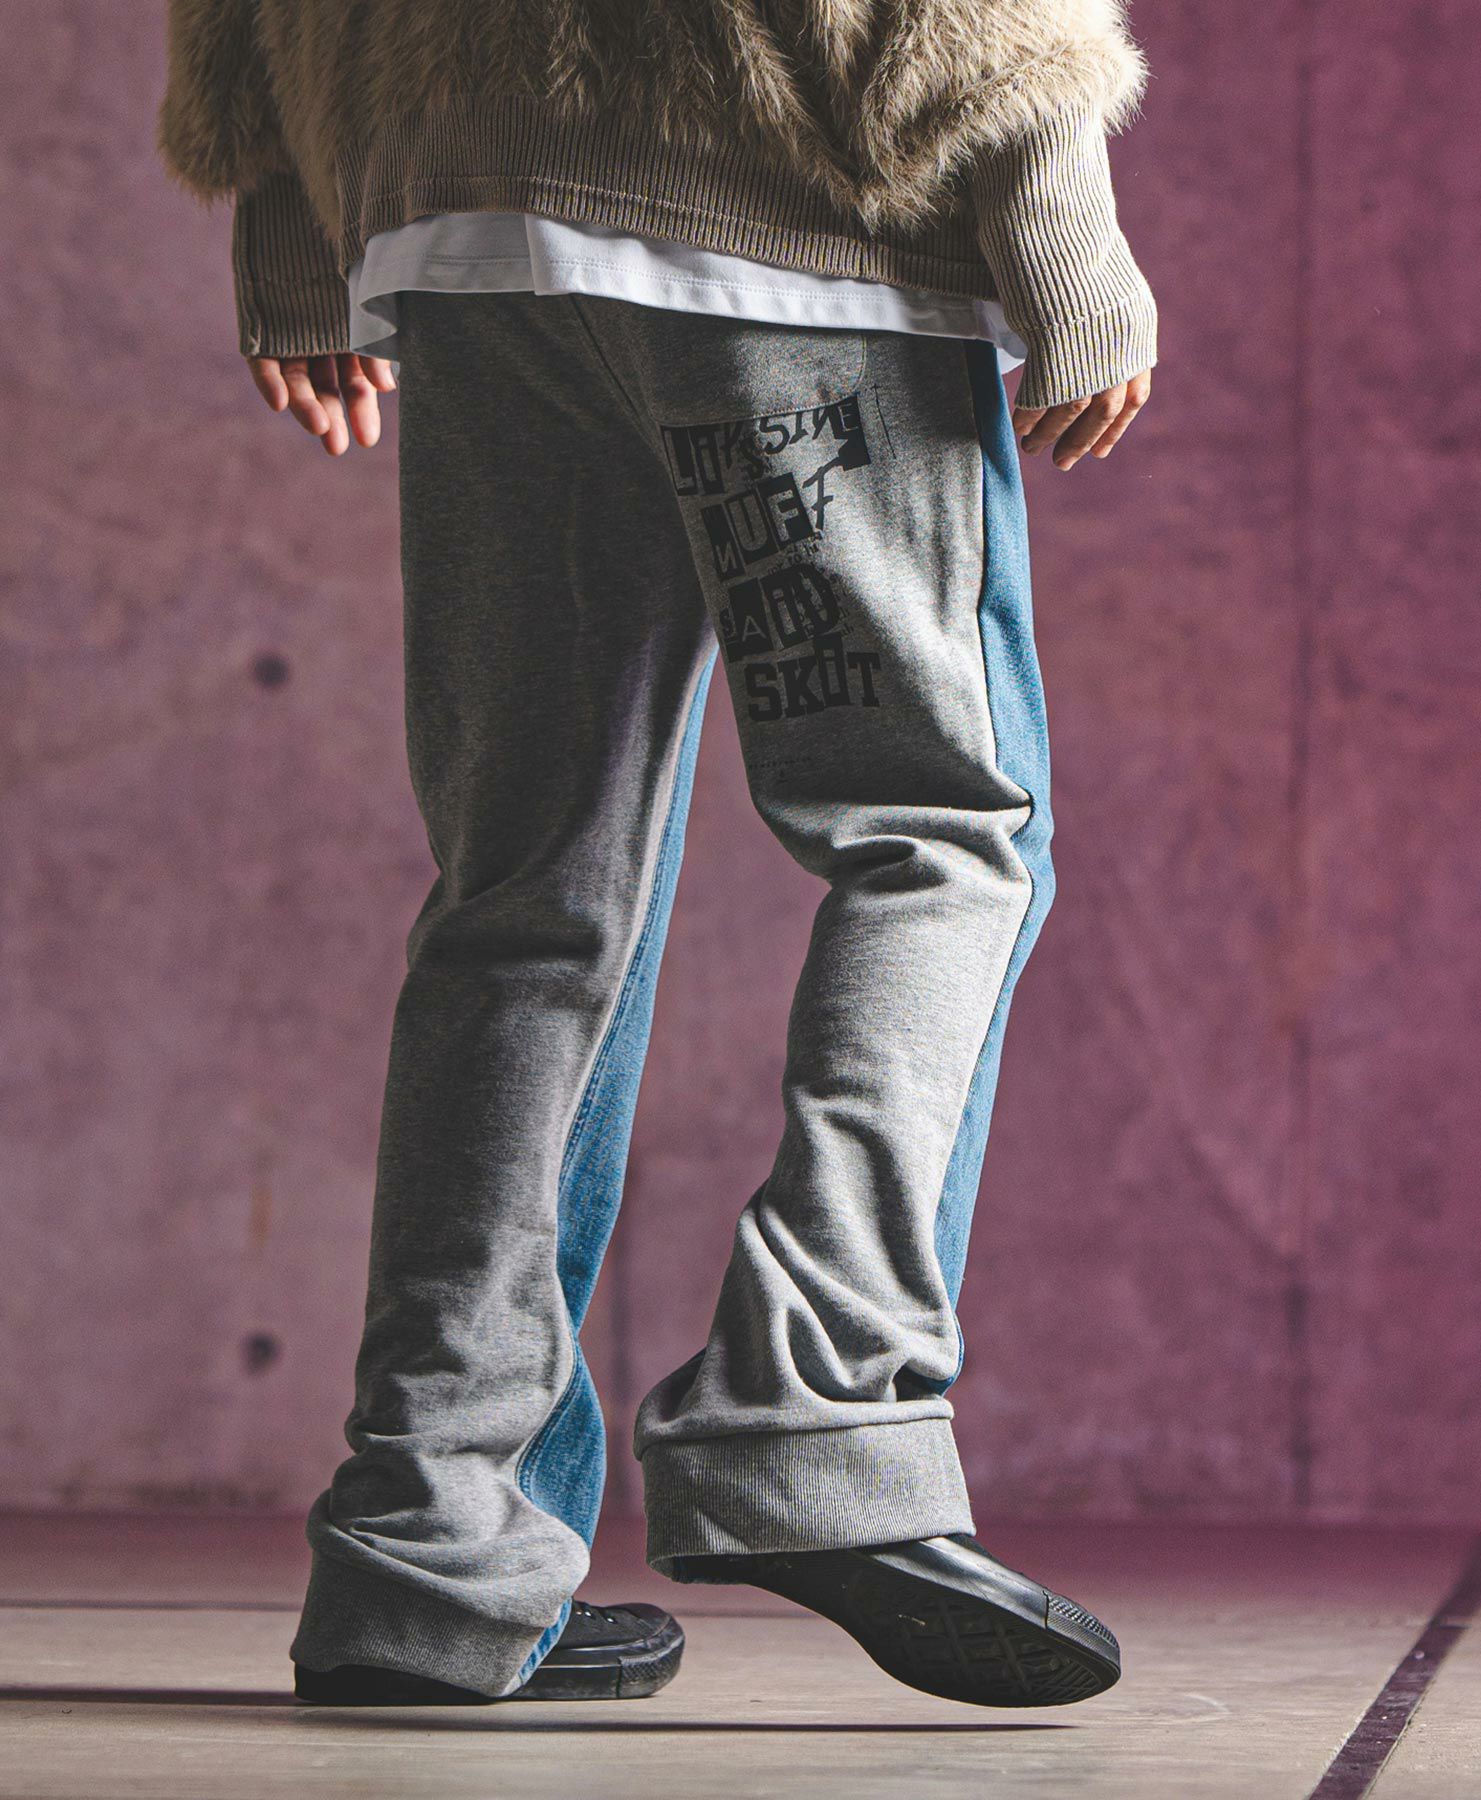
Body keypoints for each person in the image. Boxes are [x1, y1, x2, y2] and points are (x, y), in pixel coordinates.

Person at [157, 0, 1156, 1710]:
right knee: (936, 831)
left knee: (525, 897)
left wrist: (288, 211)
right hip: (793, 195)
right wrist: (1057, 208)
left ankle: (427, 1540)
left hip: (464, 204)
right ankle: (815, 1412)